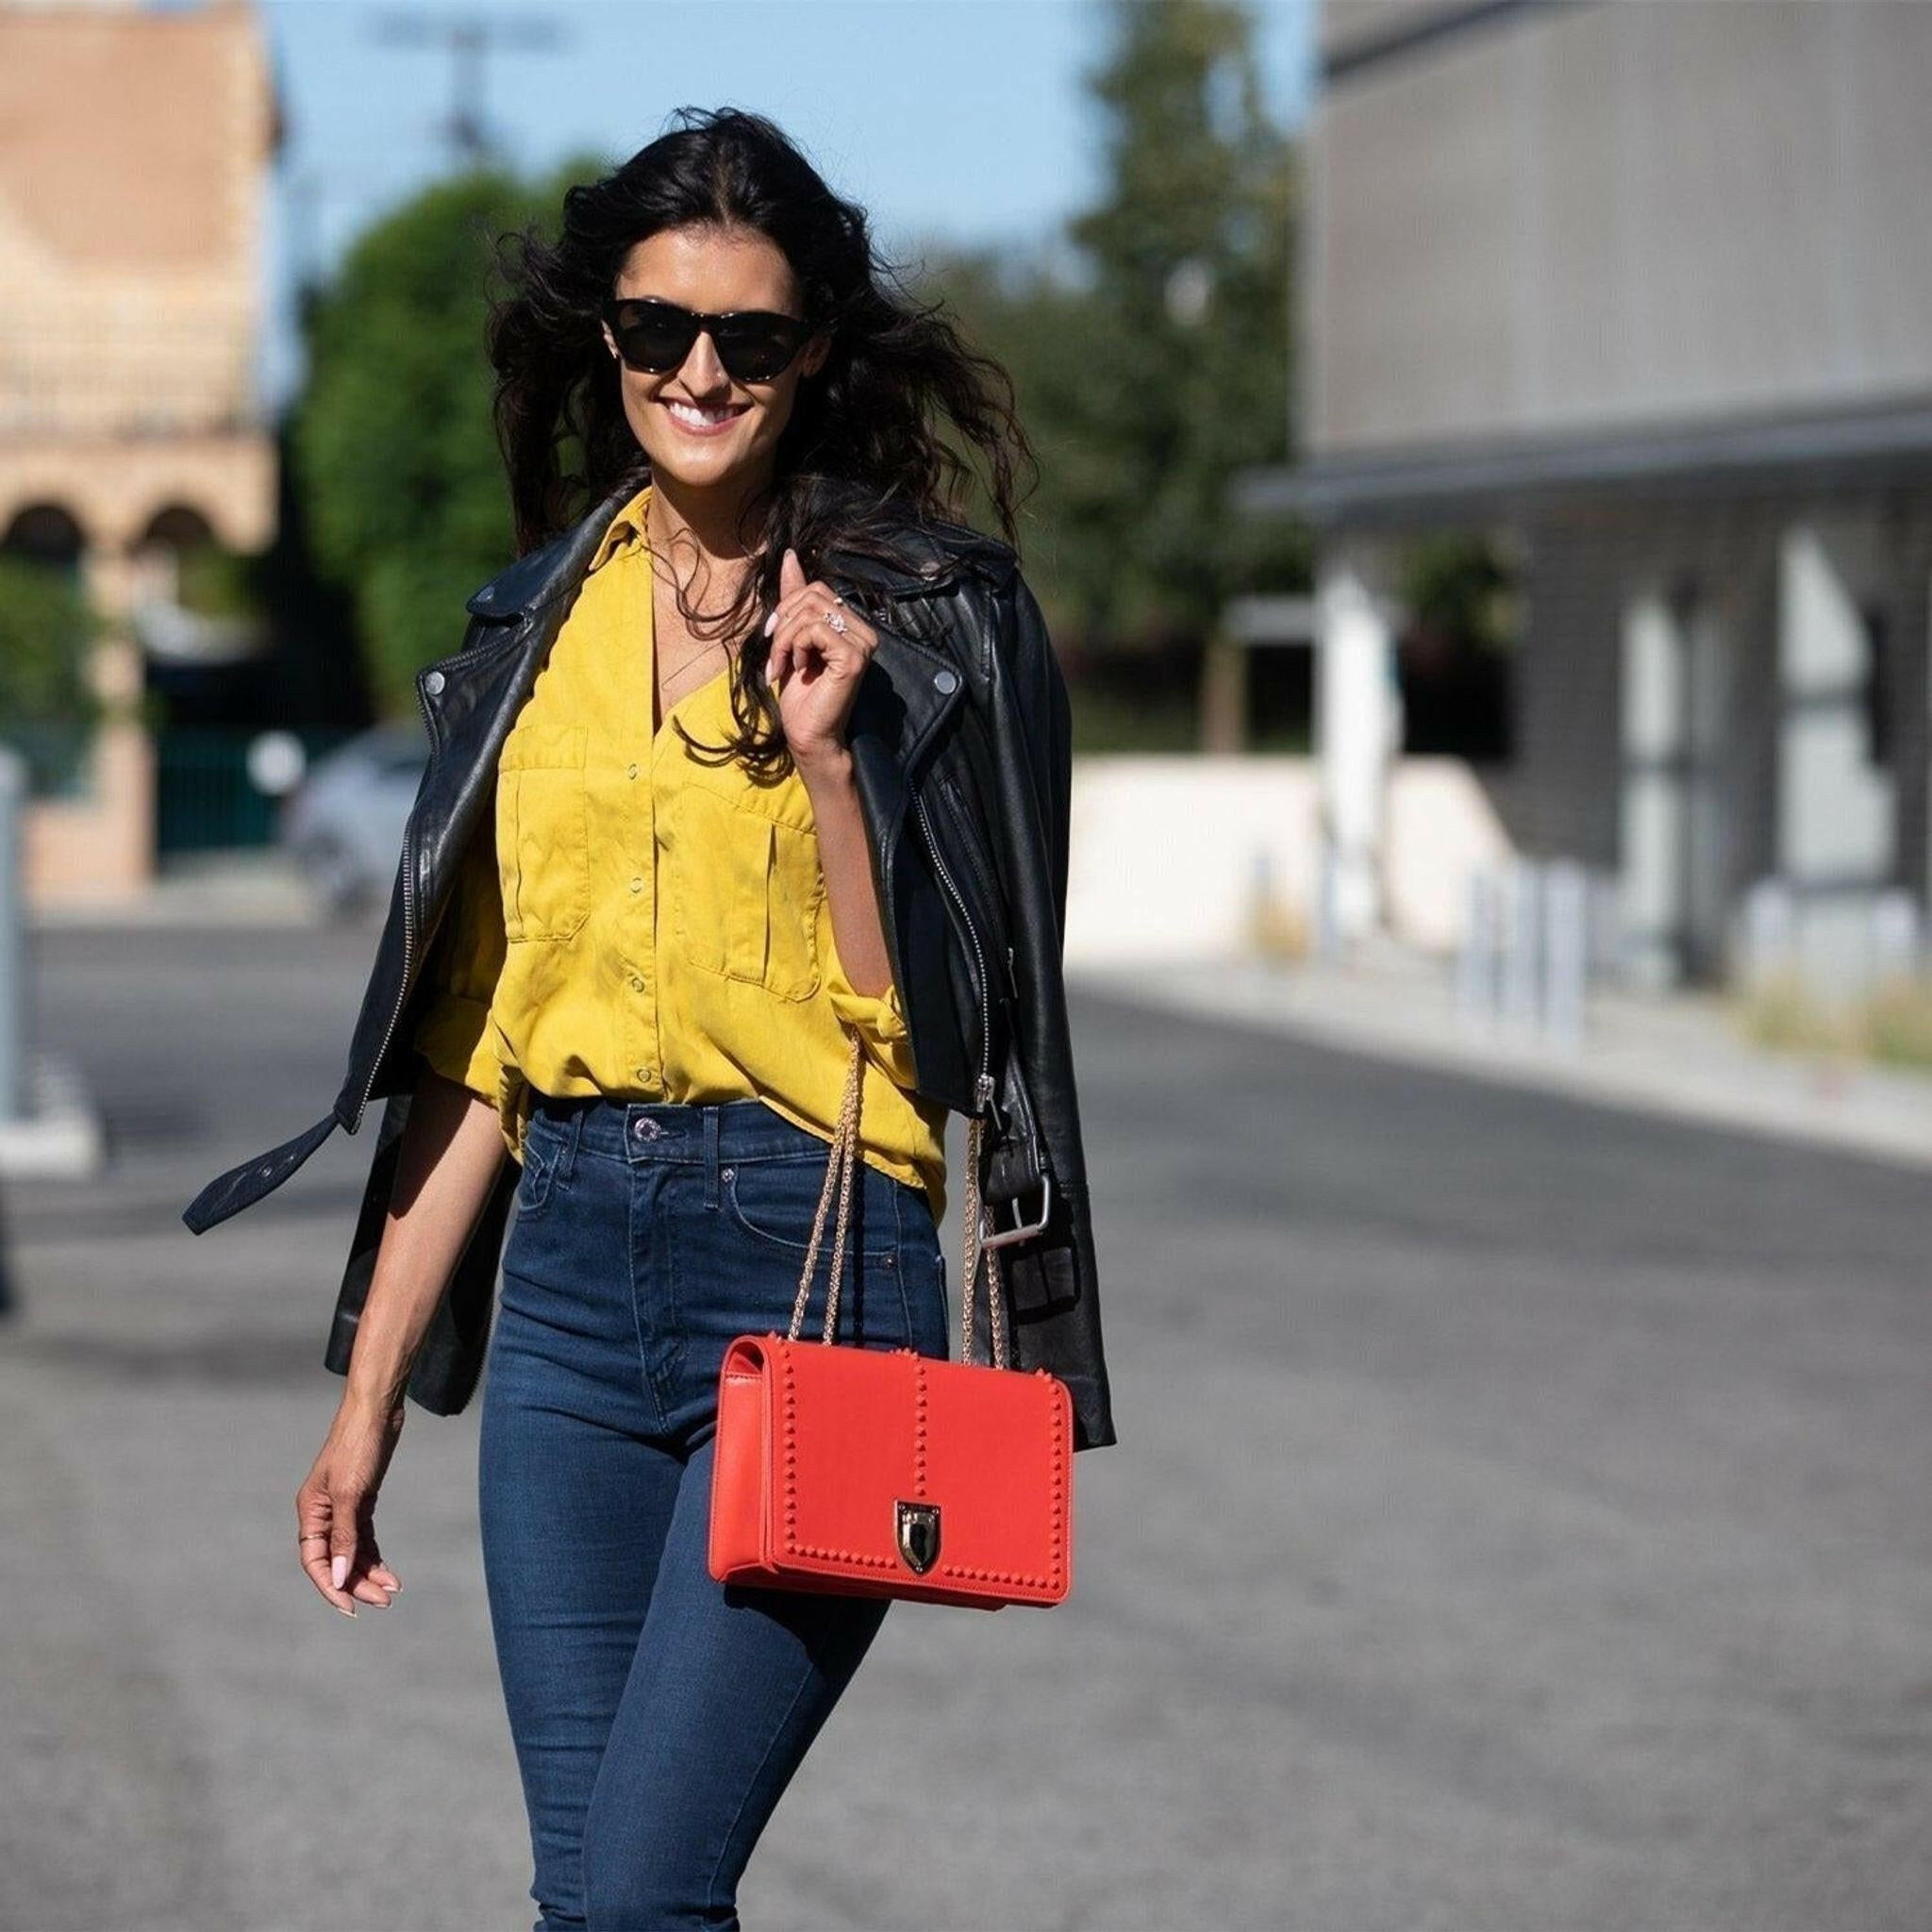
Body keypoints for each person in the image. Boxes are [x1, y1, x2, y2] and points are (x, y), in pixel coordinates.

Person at [181, 105, 1116, 1932]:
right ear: (602, 339)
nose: (698, 372)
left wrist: (835, 764)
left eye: (749, 339)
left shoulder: (929, 612)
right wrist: (365, 1401)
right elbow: (469, 1053)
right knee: (586, 1897)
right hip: (560, 1296)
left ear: (816, 349)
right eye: (655, 331)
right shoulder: (531, 625)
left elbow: (933, 1043)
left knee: (639, 1897)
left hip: (812, 1261)